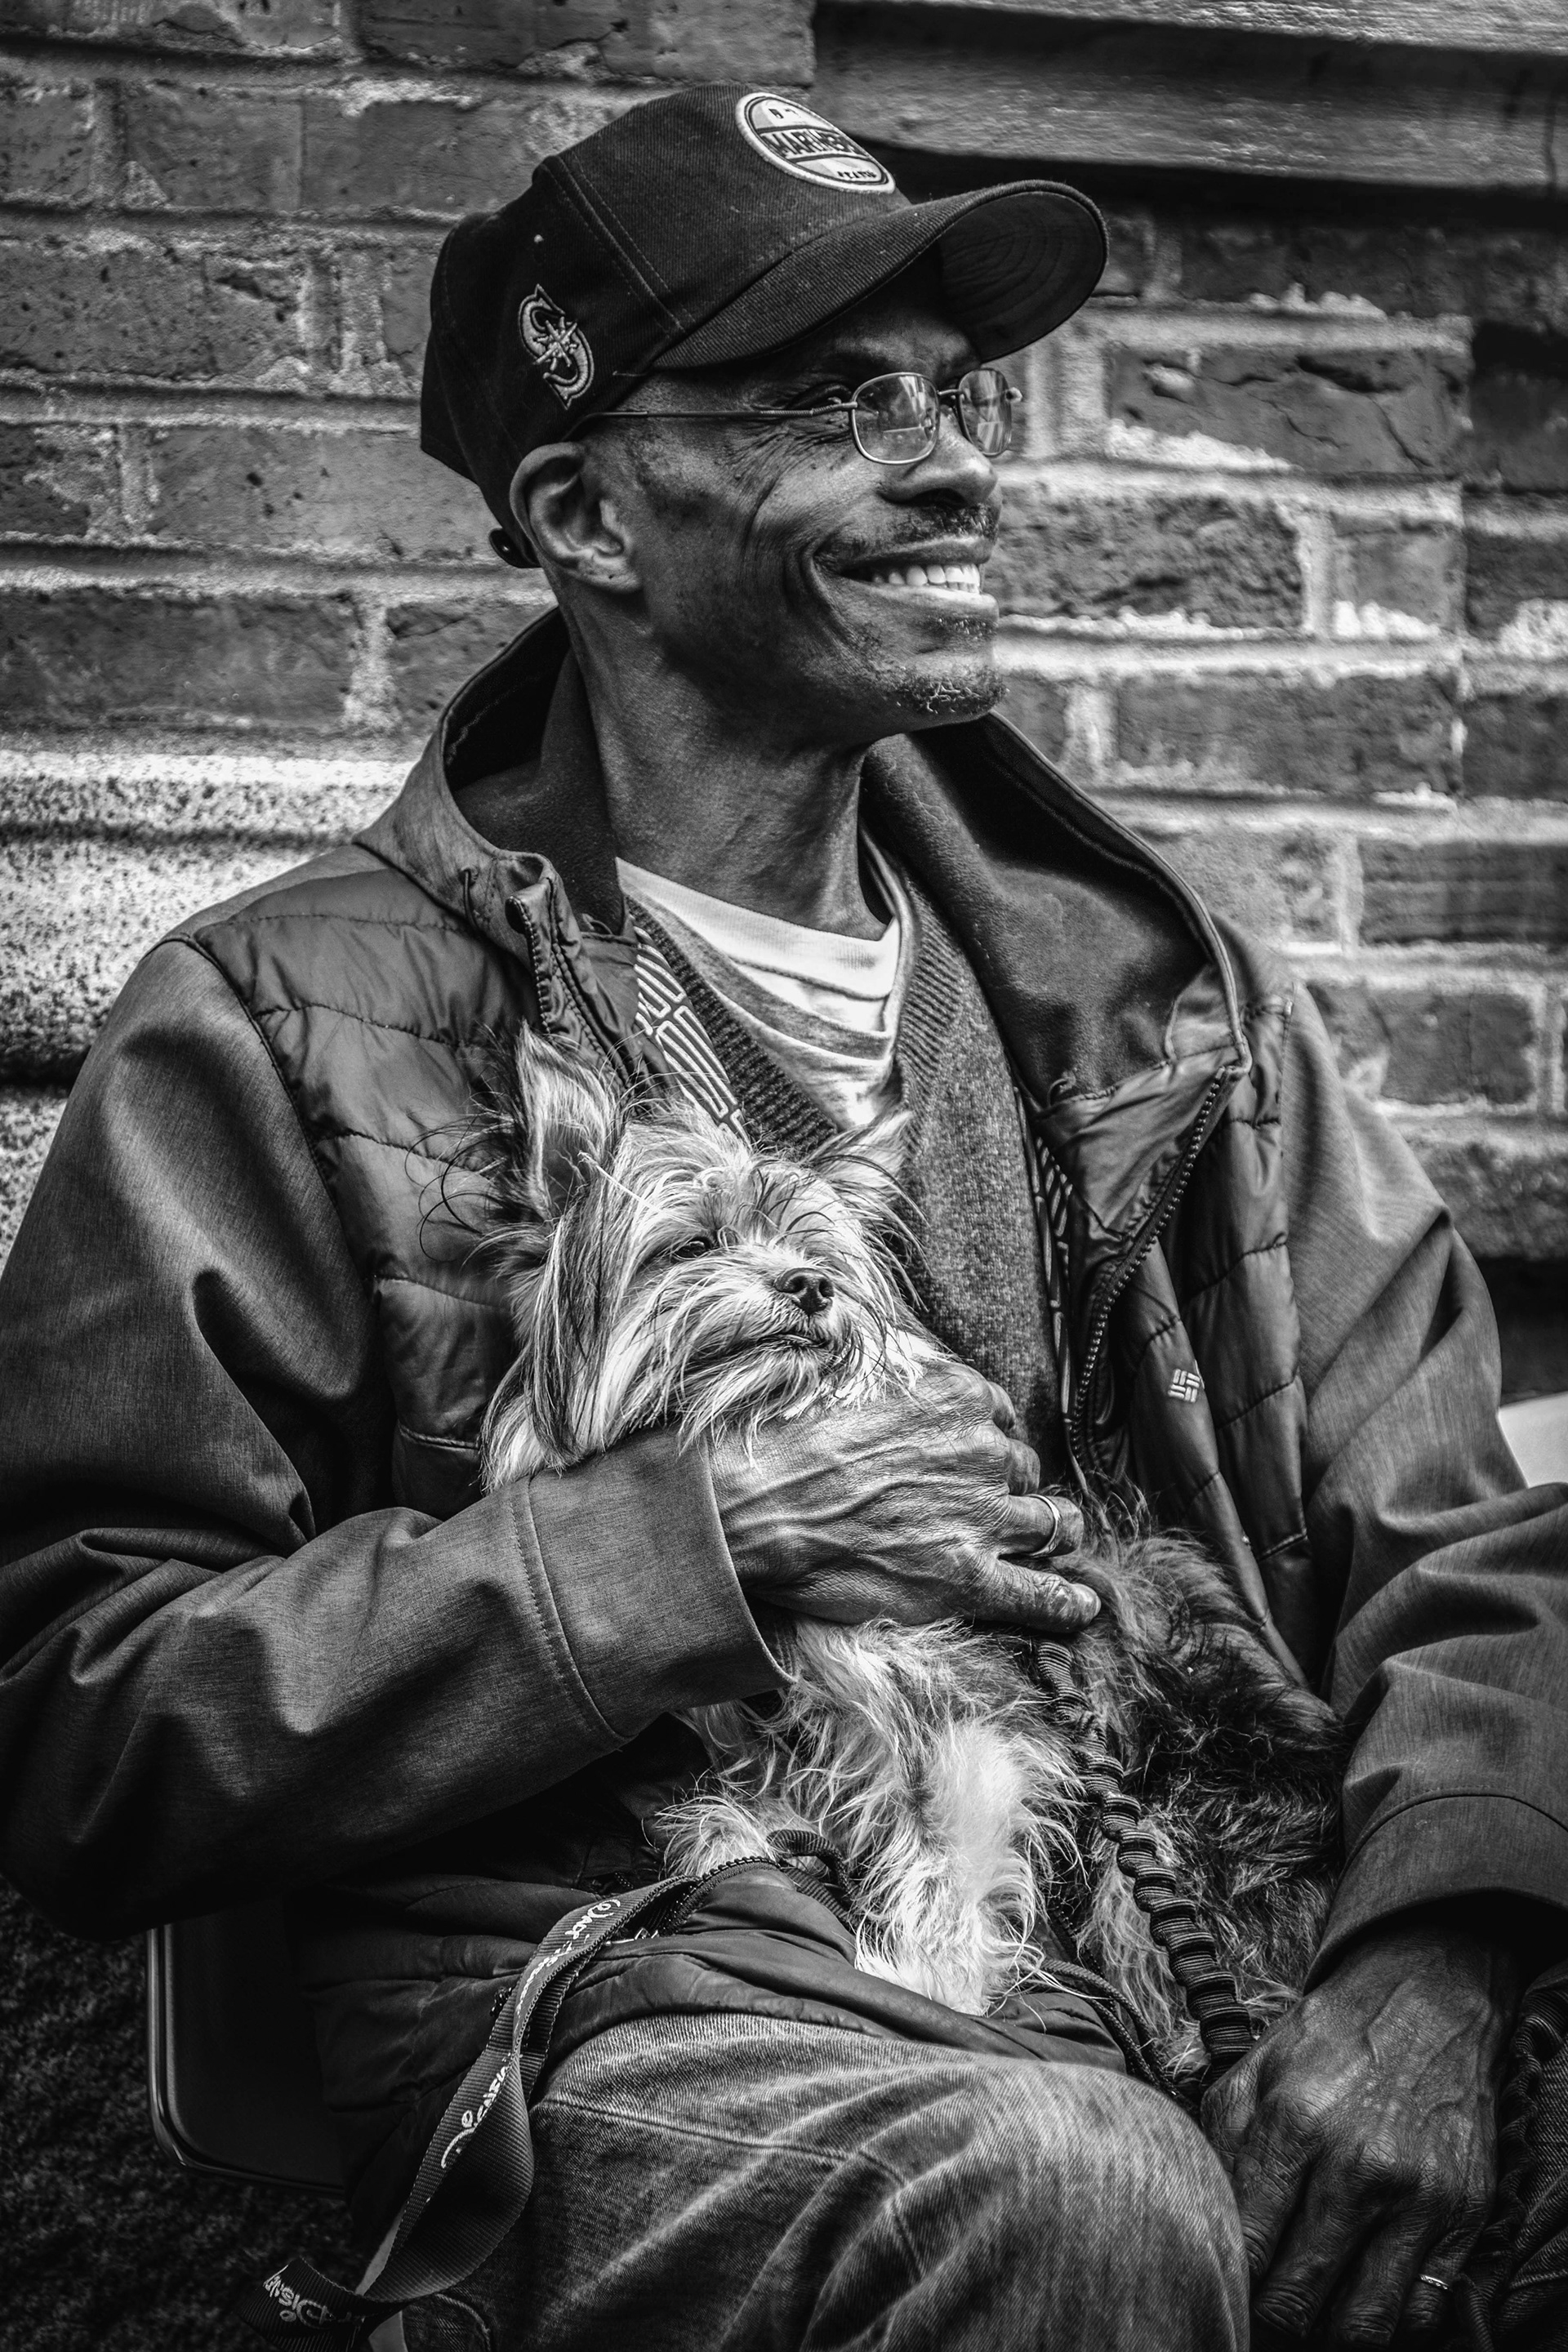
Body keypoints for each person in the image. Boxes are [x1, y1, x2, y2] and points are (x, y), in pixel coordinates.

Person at [1, 83, 1565, 2352]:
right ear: (586, 516)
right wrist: (690, 1548)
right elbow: (79, 1712)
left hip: (1206, 1916)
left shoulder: (1155, 1003)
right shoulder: (275, 1023)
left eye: (951, 397)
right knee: (1064, 2191)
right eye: (833, 403)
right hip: (639, 1989)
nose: (951, 468)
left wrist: (1427, 1965)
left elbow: (1468, 1546)